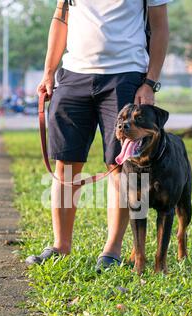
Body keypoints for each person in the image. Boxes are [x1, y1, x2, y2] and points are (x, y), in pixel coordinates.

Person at [26, 0, 171, 271]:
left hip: (124, 77)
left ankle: (111, 252)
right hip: (72, 78)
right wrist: (48, 72)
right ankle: (60, 246)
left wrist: (149, 82)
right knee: (66, 166)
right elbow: (60, 20)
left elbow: (160, 27)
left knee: (119, 166)